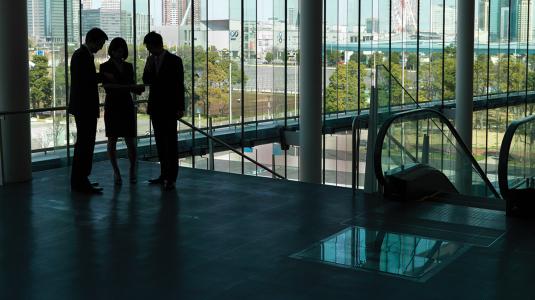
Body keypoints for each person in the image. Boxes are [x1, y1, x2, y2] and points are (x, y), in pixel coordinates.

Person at [142, 31, 185, 190]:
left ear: (154, 45)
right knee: (160, 142)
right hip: (156, 107)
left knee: (170, 143)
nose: (148, 50)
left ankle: (171, 178)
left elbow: (179, 85)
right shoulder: (150, 61)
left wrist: (180, 107)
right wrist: (148, 65)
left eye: (148, 46)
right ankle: (164, 175)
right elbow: (146, 81)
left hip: (169, 107)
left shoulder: (175, 60)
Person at [68, 28, 108, 194]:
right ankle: (80, 180)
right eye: (100, 44)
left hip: (83, 107)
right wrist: (104, 76)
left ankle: (81, 180)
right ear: (92, 40)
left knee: (84, 144)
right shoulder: (81, 56)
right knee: (85, 144)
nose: (100, 48)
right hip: (85, 107)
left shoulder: (82, 55)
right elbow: (86, 80)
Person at [100, 37, 144, 185]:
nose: (119, 52)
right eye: (117, 50)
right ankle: (118, 171)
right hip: (116, 105)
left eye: (121, 50)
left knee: (129, 140)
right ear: (112, 51)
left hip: (123, 104)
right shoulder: (105, 66)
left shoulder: (125, 66)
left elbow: (113, 87)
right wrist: (129, 87)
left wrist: (127, 87)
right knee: (114, 139)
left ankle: (129, 170)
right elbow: (110, 87)